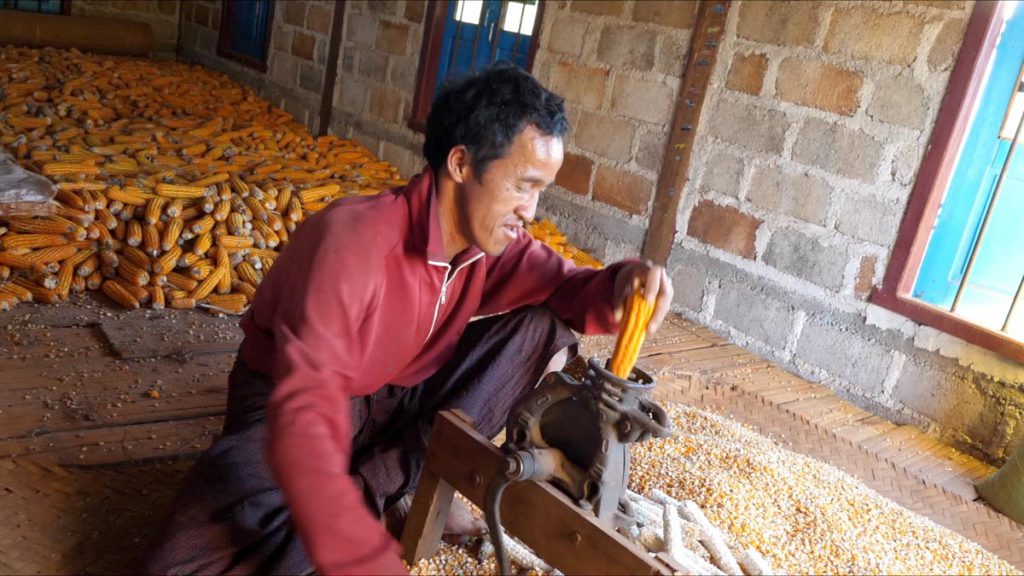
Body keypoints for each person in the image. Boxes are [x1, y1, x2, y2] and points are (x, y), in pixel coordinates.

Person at [141, 63, 673, 575]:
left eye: (540, 191)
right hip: (294, 405)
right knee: (188, 559)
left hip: (397, 397)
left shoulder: (490, 247)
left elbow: (574, 290)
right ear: (461, 165)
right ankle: (379, 493)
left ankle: (380, 486)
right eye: (522, 186)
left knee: (539, 327)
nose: (530, 211)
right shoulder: (355, 244)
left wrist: (625, 283)